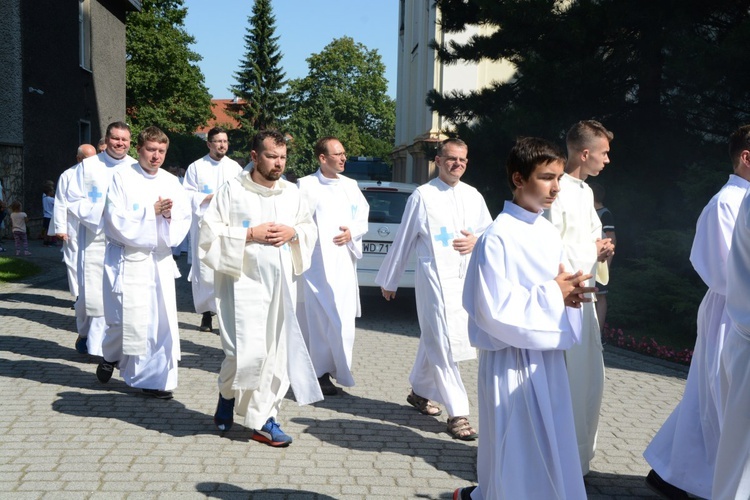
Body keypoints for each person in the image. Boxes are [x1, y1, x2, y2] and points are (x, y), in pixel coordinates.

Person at [456, 137, 594, 500]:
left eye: (560, 178)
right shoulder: (497, 236)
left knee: (552, 446)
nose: (556, 188)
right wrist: (554, 294)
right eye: (547, 177)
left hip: (546, 358)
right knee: (516, 450)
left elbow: (559, 285)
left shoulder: (547, 231)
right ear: (519, 179)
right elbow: (491, 309)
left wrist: (571, 295)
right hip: (510, 360)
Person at [644, 125, 750, 499]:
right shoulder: (727, 203)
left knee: (708, 398)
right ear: (746, 157)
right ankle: (698, 478)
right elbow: (723, 268)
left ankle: (674, 473)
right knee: (720, 399)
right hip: (731, 309)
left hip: (737, 307)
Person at [199, 129, 321, 447]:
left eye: (282, 157)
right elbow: (208, 235)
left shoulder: (292, 193)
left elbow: (309, 228)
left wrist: (293, 231)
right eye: (271, 156)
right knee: (242, 355)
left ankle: (264, 420)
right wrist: (250, 234)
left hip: (280, 287)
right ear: (254, 156)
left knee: (274, 355)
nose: (278, 163)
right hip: (240, 285)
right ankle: (227, 395)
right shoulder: (232, 191)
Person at [375, 138, 492, 440]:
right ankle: (458, 413)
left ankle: (419, 392)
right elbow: (404, 239)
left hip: (465, 280)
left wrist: (477, 241)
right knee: (444, 342)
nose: (457, 165)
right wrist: (390, 279)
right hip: (435, 280)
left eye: (463, 160)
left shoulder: (474, 195)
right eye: (452, 159)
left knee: (437, 339)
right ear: (439, 161)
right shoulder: (422, 196)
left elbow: (489, 233)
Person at [94, 126, 191, 399]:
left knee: (160, 322)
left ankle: (155, 380)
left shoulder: (172, 181)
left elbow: (185, 218)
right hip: (127, 258)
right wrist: (152, 212)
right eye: (151, 150)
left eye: (161, 151)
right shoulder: (122, 178)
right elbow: (115, 218)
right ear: (139, 150)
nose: (156, 156)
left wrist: (171, 216)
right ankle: (111, 357)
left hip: (157, 260)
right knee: (123, 321)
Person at [545, 120, 615, 474]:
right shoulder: (555, 188)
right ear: (584, 153)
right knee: (568, 379)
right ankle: (559, 459)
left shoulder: (587, 192)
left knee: (589, 379)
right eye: (603, 153)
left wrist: (600, 251)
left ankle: (579, 458)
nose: (607, 160)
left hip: (585, 296)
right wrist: (591, 248)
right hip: (564, 299)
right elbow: (552, 244)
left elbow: (588, 239)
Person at [296, 136, 370, 395]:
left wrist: (352, 231)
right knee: (318, 321)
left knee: (343, 320)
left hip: (343, 264)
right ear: (322, 158)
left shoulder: (351, 185)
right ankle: (319, 372)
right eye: (337, 154)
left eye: (344, 154)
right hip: (316, 266)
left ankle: (340, 367)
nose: (343, 158)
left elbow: (362, 216)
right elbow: (297, 222)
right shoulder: (306, 185)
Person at [65, 121, 136, 356]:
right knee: (90, 296)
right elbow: (72, 199)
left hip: (124, 240)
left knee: (119, 294)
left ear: (130, 142)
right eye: (116, 138)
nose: (120, 143)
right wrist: (101, 212)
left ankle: (104, 348)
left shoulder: (136, 167)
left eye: (124, 139)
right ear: (107, 139)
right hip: (94, 237)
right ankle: (86, 334)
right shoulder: (89, 167)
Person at [183, 127, 243, 333]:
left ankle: (227, 315)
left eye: (225, 141)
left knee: (225, 269)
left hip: (227, 226)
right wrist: (207, 198)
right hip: (204, 225)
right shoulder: (196, 167)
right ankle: (207, 315)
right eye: (217, 141)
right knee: (206, 271)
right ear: (209, 144)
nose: (222, 145)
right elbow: (187, 195)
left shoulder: (235, 168)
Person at [53, 144, 97, 299]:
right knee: (73, 259)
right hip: (73, 224)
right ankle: (78, 295)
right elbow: (60, 202)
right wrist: (60, 227)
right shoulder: (67, 175)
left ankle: (93, 295)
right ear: (79, 158)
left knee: (94, 258)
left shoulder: (100, 174)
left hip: (95, 223)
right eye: (87, 159)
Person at [589, 182, 616, 334]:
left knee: (600, 295)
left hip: (601, 262)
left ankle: (597, 332)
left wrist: (607, 264)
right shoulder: (587, 213)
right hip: (588, 260)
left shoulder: (604, 214)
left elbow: (611, 239)